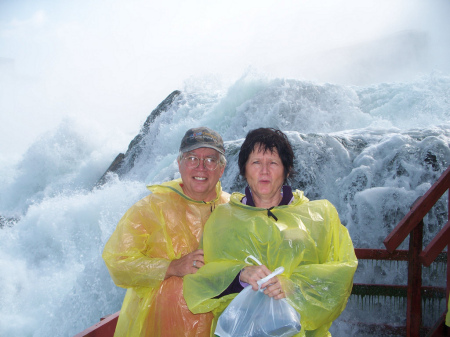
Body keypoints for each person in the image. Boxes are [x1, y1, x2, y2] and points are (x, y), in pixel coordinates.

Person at [184, 127, 358, 337]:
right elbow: (203, 282)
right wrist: (239, 276)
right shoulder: (221, 218)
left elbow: (340, 274)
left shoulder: (319, 216)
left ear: (286, 170)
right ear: (244, 170)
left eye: (273, 163)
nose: (264, 171)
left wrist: (294, 287)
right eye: (256, 162)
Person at [102, 127, 230, 337]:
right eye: (192, 158)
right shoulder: (149, 209)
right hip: (159, 328)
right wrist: (171, 267)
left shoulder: (234, 209)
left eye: (210, 160)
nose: (201, 167)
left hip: (221, 328)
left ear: (222, 168)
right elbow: (117, 262)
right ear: (179, 164)